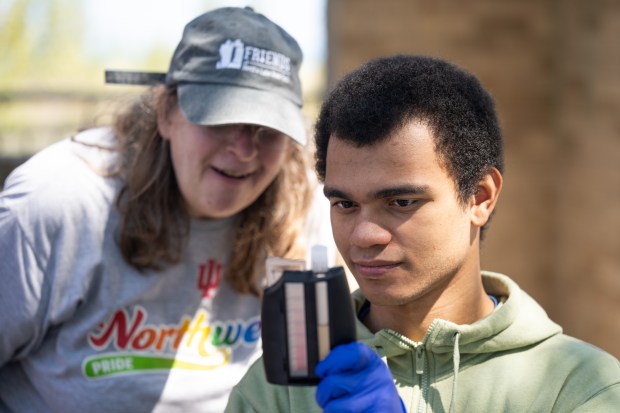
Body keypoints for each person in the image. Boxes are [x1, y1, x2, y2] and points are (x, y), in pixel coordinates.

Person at [225, 55, 620, 412]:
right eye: (345, 204)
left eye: (401, 202)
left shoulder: (580, 388)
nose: (363, 235)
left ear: (480, 197)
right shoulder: (279, 392)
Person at [0, 7, 336, 413]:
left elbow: (305, 378)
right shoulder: (59, 204)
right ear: (166, 113)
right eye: (221, 118)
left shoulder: (304, 207)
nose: (245, 150)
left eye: (268, 130)